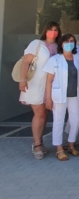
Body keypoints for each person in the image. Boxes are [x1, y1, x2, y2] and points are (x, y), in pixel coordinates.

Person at [18, 21, 61, 159]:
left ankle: (41, 142)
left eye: (56, 30)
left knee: (45, 113)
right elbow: (26, 62)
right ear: (45, 30)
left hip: (52, 85)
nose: (53, 32)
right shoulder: (36, 44)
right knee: (39, 114)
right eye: (50, 29)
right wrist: (22, 80)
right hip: (36, 84)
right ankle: (37, 144)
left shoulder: (58, 46)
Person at [44, 34, 79, 161]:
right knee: (59, 121)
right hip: (59, 95)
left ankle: (71, 144)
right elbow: (49, 81)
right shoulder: (54, 60)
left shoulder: (78, 58)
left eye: (72, 41)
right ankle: (59, 149)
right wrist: (48, 99)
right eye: (67, 41)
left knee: (76, 121)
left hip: (74, 95)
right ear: (61, 43)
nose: (69, 43)